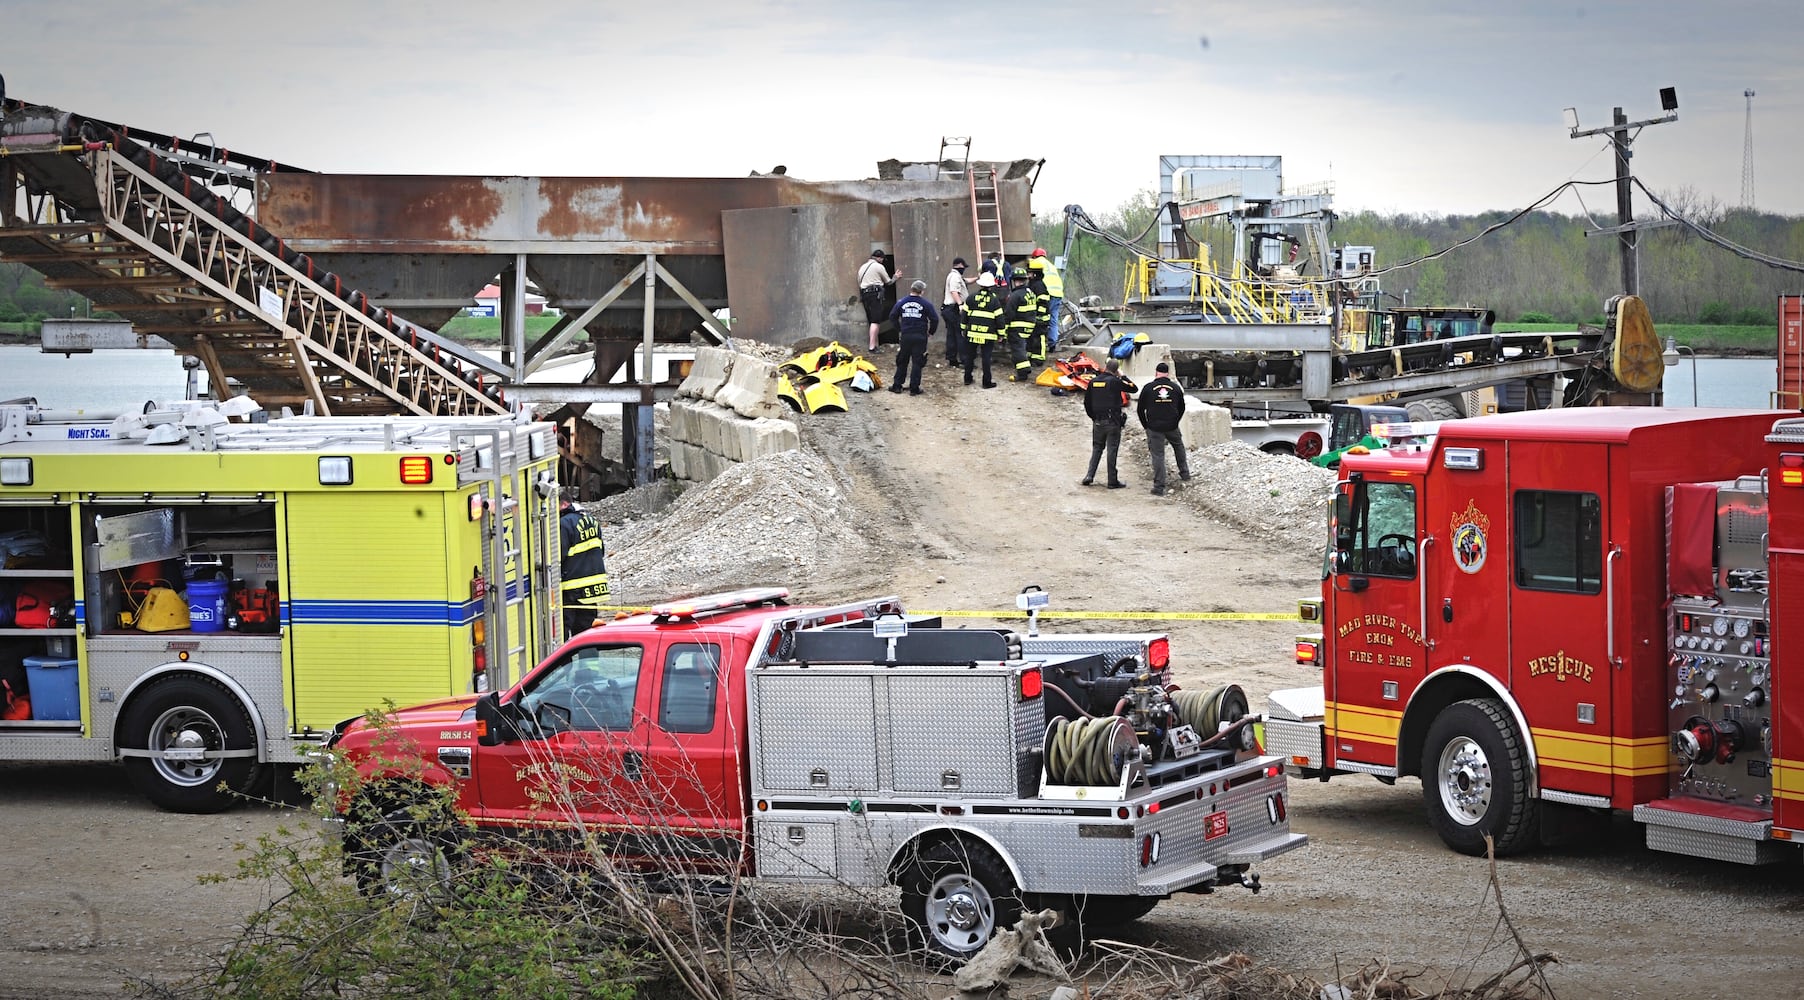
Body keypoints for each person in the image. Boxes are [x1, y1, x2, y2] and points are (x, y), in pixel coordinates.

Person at [1136, 361, 1192, 496]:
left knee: (1158, 455)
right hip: (1172, 426)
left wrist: (1146, 426)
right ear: (1168, 373)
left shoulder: (1148, 388)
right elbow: (1182, 407)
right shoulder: (1176, 388)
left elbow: (1140, 409)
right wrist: (1175, 421)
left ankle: (1159, 486)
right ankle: (1185, 474)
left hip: (1154, 427)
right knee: (1179, 447)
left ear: (1156, 373)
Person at [559, 489, 609, 637]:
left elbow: (558, 556)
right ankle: (589, 661)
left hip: (571, 587)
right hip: (592, 587)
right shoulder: (591, 520)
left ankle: (565, 661)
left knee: (563, 633)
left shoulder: (564, 523)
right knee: (586, 633)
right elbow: (601, 550)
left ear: (564, 504)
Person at [1080, 358, 1136, 488]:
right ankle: (1112, 481)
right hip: (1113, 422)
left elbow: (1087, 402)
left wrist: (1093, 417)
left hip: (1098, 421)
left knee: (1097, 449)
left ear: (1105, 367)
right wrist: (1123, 376)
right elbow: (1133, 388)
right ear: (1116, 370)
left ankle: (1089, 475)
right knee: (1112, 450)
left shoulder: (1093, 382)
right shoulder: (1115, 381)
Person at [886, 279, 939, 395]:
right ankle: (914, 388)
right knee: (917, 362)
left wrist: (899, 328)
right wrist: (931, 332)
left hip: (906, 335)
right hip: (920, 336)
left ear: (911, 289)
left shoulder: (901, 302)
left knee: (902, 360)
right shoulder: (926, 304)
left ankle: (897, 385)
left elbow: (892, 316)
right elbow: (935, 319)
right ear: (922, 291)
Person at [962, 269, 1004, 388]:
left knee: (970, 356)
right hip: (988, 335)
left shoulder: (971, 298)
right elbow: (999, 318)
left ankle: (967, 378)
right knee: (986, 358)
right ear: (991, 286)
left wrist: (963, 329)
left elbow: (964, 315)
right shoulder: (994, 300)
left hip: (972, 333)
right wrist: (1001, 334)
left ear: (980, 284)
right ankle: (986, 382)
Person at [1002, 266, 1039, 382]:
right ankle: (1025, 366)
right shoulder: (1030, 293)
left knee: (1017, 349)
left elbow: (1009, 314)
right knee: (1023, 347)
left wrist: (1004, 330)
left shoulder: (1015, 295)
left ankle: (1023, 372)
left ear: (1015, 281)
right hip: (1030, 326)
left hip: (1017, 327)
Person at [1027, 248, 1065, 350]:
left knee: (1041, 319)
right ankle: (1053, 343)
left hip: (1046, 294)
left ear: (1034, 256)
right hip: (1058, 294)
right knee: (1053, 319)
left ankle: (1039, 343)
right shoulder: (1051, 265)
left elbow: (1032, 277)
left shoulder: (1035, 263)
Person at [857, 249, 893, 351]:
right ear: (879, 258)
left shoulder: (862, 268)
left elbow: (860, 283)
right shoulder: (878, 266)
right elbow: (888, 282)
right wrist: (895, 277)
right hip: (875, 294)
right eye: (882, 259)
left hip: (865, 295)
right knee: (876, 320)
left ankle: (875, 344)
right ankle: (872, 347)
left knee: (871, 320)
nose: (882, 261)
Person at [942, 257, 968, 366]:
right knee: (960, 334)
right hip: (954, 309)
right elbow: (954, 291)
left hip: (949, 309)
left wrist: (978, 278)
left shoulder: (956, 276)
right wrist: (960, 304)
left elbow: (966, 281)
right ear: (959, 265)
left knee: (952, 334)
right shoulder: (955, 277)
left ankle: (952, 359)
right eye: (963, 267)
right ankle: (964, 360)